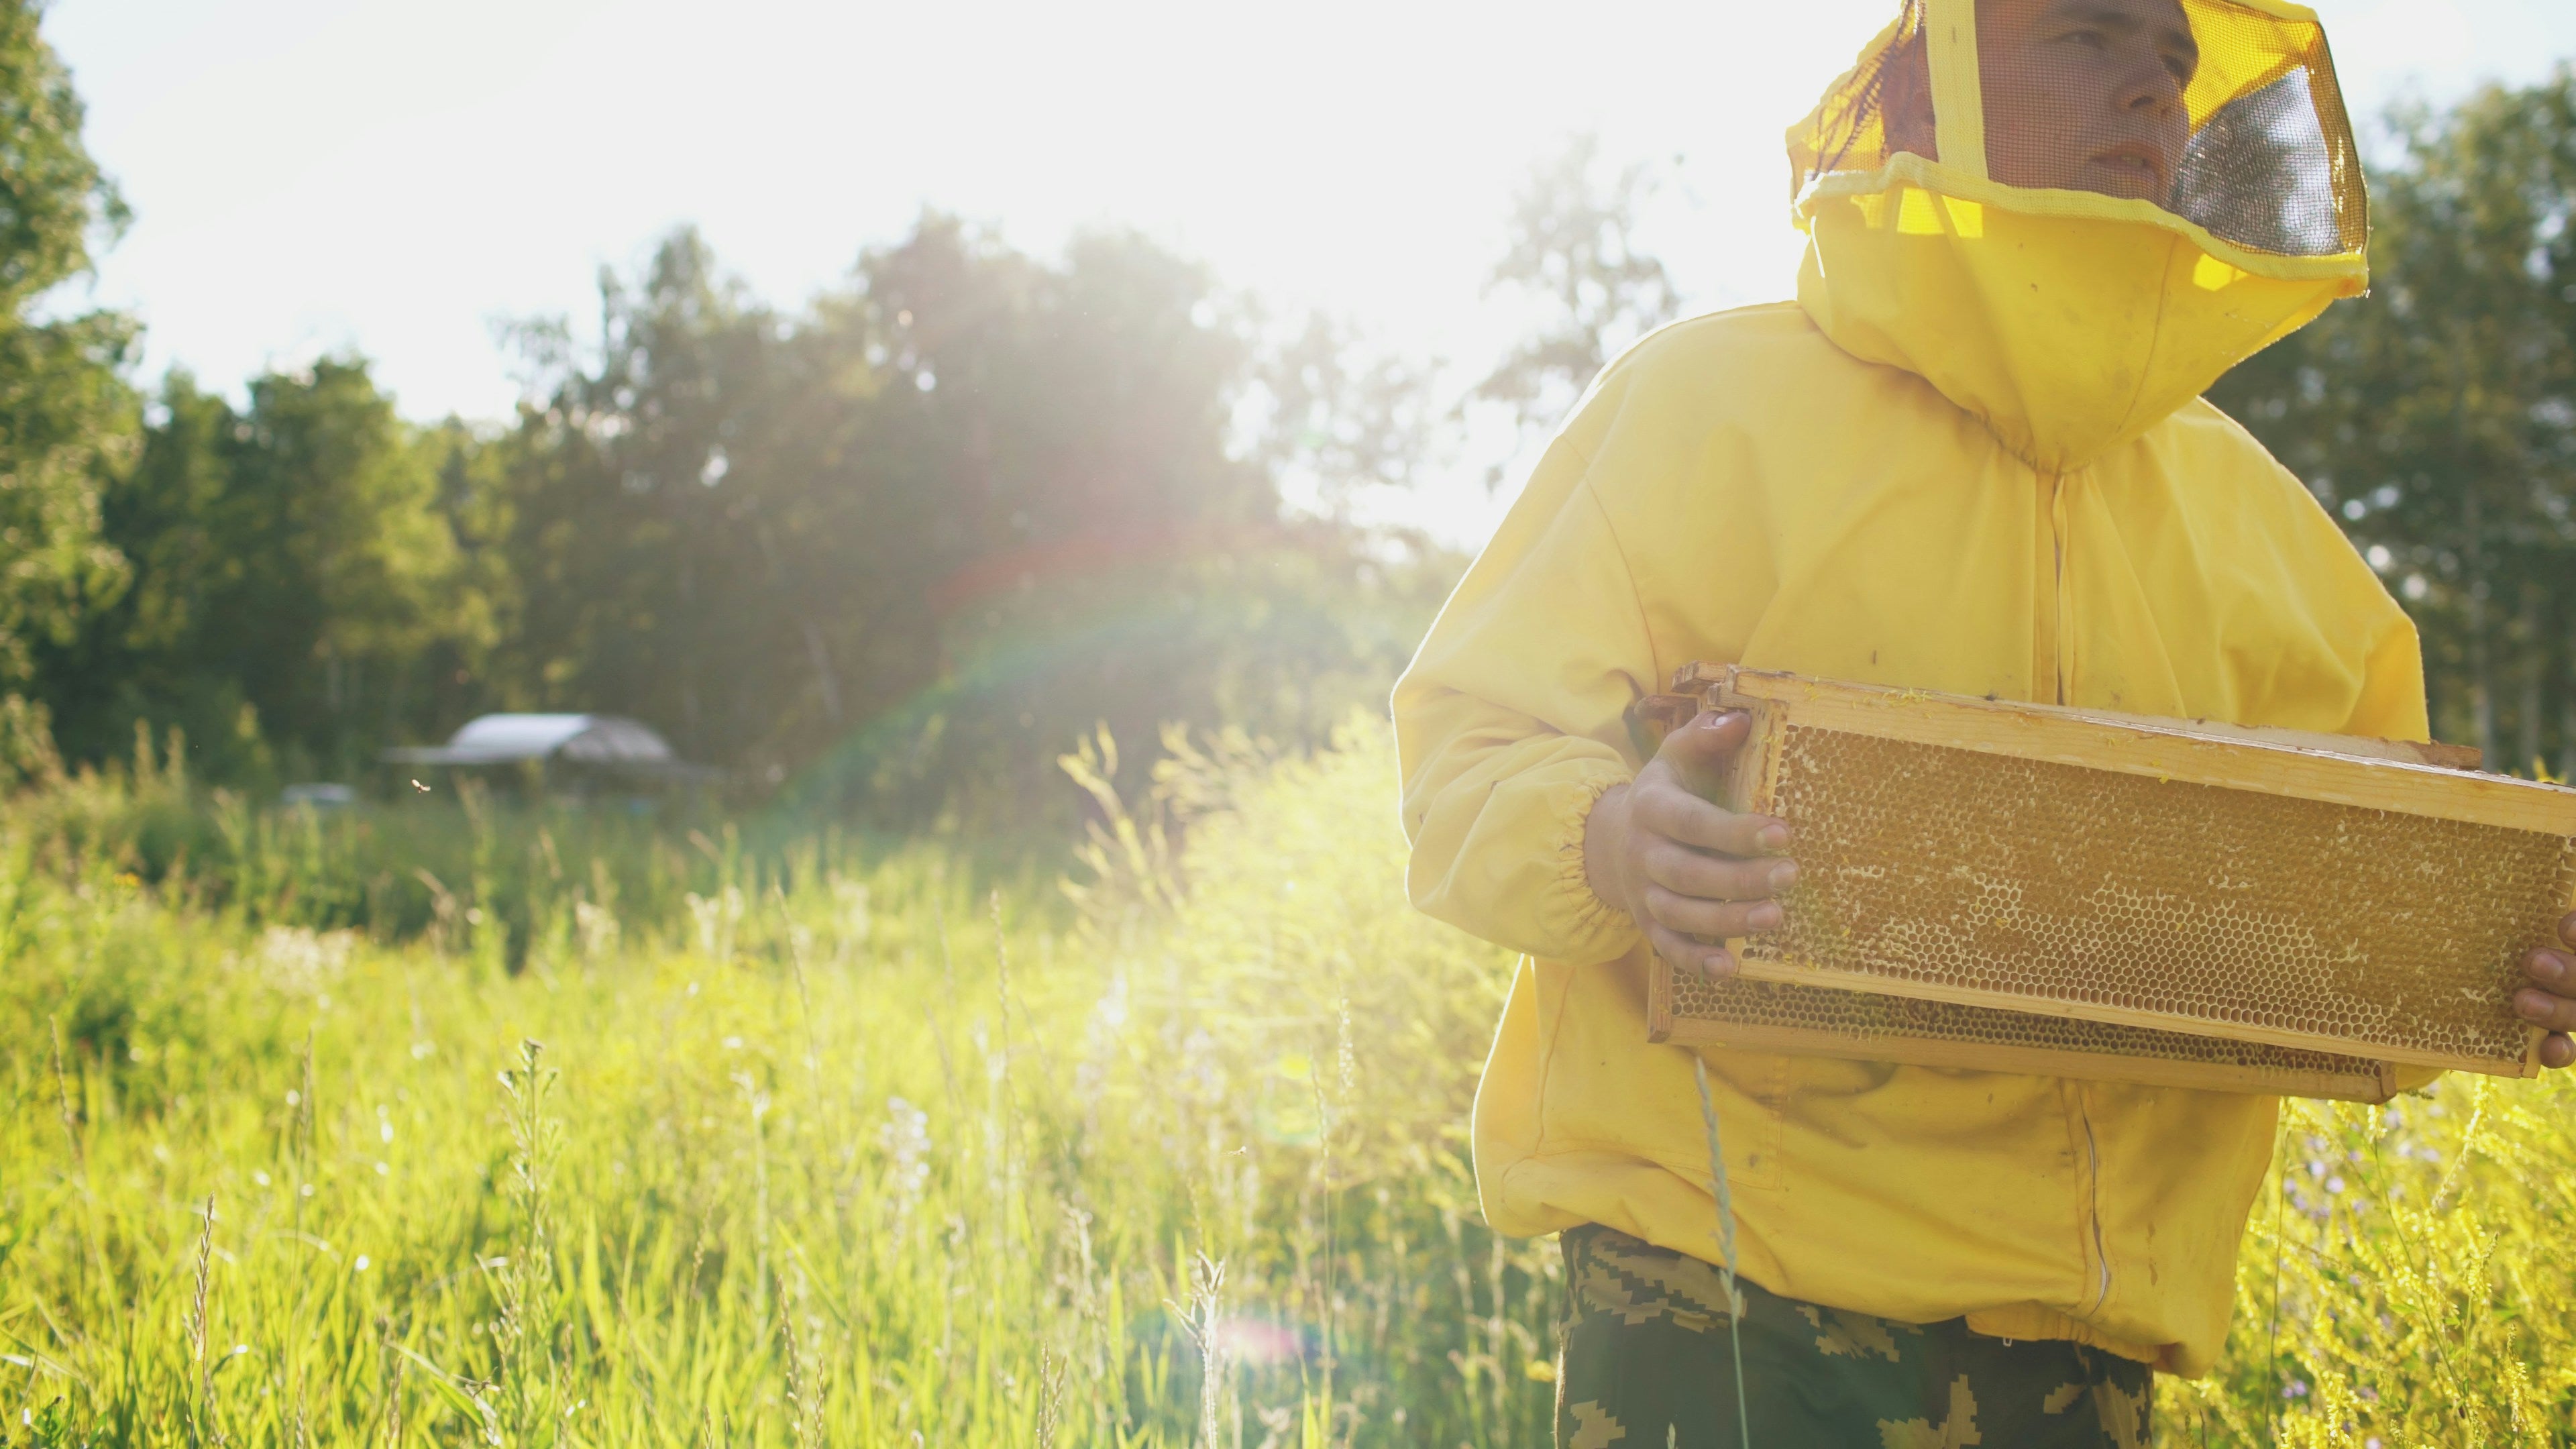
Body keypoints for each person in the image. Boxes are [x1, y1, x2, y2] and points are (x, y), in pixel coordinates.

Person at [1391, 0, 2576, 1444]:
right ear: (1925, 96)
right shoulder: (1701, 405)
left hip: (2074, 1345)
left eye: (2177, 61)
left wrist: (2518, 965)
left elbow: (2390, 904)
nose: (2156, 86)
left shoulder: (2261, 521)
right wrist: (1606, 842)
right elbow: (1469, 746)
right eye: (2089, 34)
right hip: (1718, 1285)